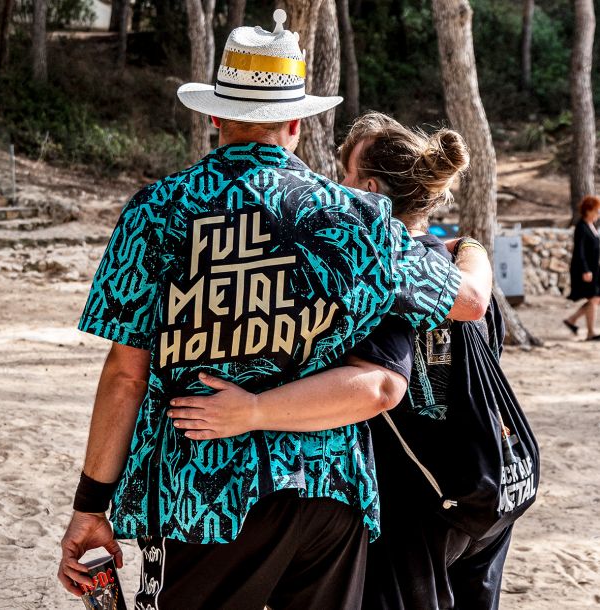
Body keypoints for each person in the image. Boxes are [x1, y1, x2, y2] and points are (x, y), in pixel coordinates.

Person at [57, 13, 492, 610]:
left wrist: (90, 506)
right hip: (329, 493)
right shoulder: (360, 218)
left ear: (215, 116)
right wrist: (469, 247)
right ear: (295, 123)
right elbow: (466, 302)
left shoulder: (154, 211)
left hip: (201, 495)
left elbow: (125, 374)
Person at [169, 113, 509, 610]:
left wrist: (253, 410)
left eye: (346, 175)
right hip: (486, 486)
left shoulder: (378, 271)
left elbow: (378, 387)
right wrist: (473, 245)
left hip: (418, 502)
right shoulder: (453, 266)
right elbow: (477, 312)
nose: (337, 185)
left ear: (370, 188)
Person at [564, 195, 600, 341]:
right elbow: (579, 251)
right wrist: (585, 270)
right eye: (597, 211)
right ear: (588, 210)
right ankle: (591, 332)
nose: (598, 214)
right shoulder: (581, 227)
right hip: (585, 270)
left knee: (596, 298)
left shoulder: (592, 226)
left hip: (594, 269)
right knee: (593, 298)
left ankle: (572, 320)